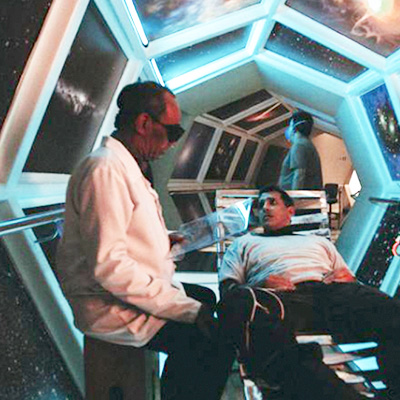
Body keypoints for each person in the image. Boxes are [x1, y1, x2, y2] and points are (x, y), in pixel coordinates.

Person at [56, 81, 234, 400]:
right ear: (143, 123)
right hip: (108, 304)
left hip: (122, 292)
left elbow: (123, 230)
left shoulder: (127, 168)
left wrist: (165, 240)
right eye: (173, 132)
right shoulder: (105, 171)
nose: (173, 144)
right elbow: (110, 268)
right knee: (214, 342)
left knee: (205, 297)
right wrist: (187, 310)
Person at [218, 185, 400, 400]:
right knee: (238, 304)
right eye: (260, 205)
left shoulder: (318, 242)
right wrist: (258, 283)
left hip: (331, 293)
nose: (264, 208)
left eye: (272, 202)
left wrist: (347, 278)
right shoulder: (244, 243)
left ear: (290, 211)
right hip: (282, 299)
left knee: (391, 311)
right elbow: (228, 289)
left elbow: (346, 275)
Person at [278, 111, 323, 190]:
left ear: (294, 128)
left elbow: (299, 174)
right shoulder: (307, 144)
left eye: (290, 126)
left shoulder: (299, 146)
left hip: (297, 195)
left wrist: (295, 195)